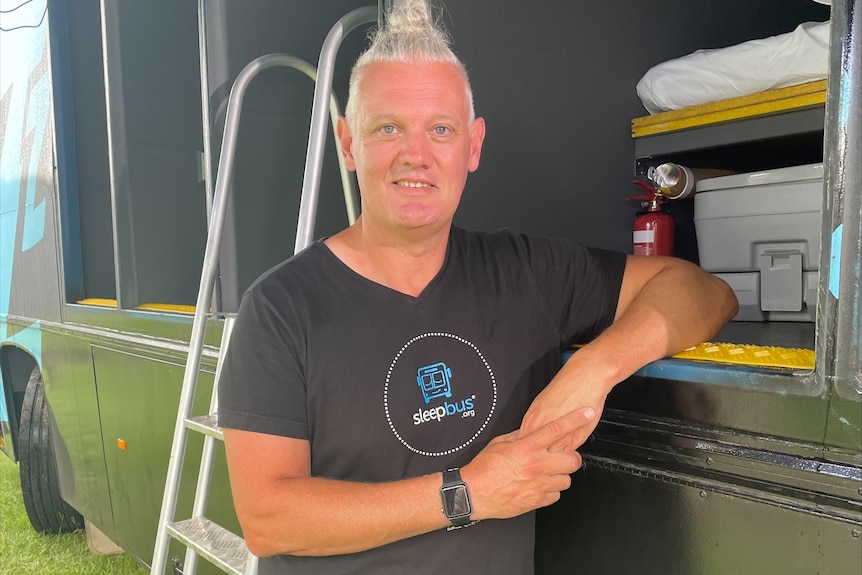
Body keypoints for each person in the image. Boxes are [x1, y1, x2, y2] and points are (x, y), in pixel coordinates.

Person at [218, 1, 738, 573]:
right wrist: (465, 493)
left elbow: (700, 291)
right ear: (348, 144)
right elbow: (268, 518)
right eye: (388, 128)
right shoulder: (280, 309)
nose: (416, 155)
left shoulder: (524, 274)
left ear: (473, 145)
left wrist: (594, 370)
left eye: (440, 129)